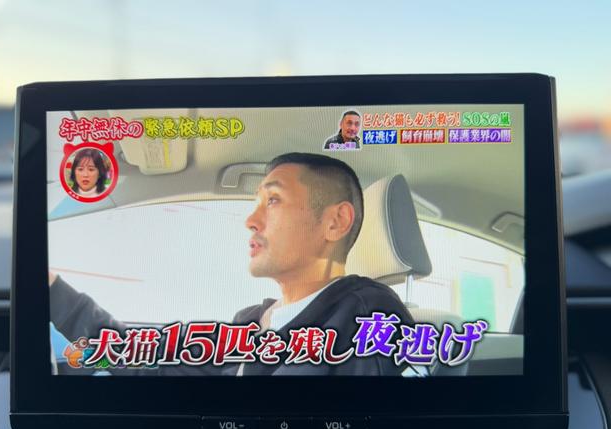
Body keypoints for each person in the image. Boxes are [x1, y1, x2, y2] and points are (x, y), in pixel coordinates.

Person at [49, 152, 415, 375]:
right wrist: (52, 292)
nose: (251, 220)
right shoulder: (249, 322)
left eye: (273, 200)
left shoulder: (369, 314)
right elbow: (141, 356)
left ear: (335, 222)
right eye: (257, 203)